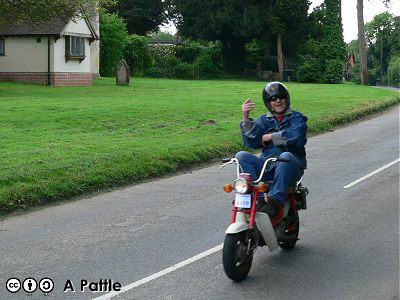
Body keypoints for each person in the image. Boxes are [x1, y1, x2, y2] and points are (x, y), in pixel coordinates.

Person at [236, 81, 307, 217]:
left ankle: (275, 202)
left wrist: (270, 136)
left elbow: (297, 136)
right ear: (268, 103)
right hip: (267, 168)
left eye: (281, 97)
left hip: (290, 168)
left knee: (285, 156)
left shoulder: (297, 118)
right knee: (241, 156)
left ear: (287, 99)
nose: (278, 101)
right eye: (273, 99)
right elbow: (252, 142)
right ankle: (260, 199)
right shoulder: (263, 120)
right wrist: (246, 117)